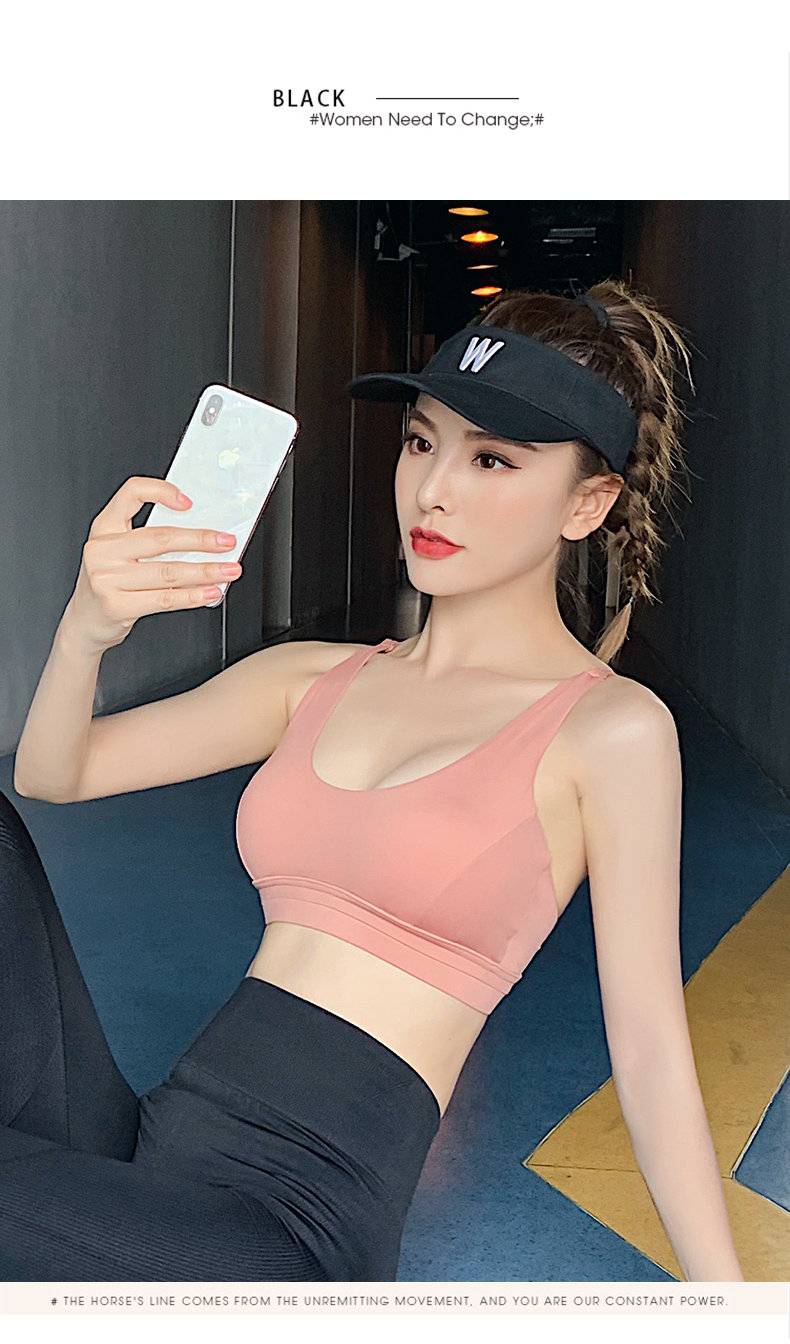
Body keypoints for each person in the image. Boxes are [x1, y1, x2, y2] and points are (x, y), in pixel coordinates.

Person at [3, 279, 745, 1284]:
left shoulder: (609, 731)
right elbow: (53, 774)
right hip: (148, 1153)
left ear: (587, 503)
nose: (433, 490)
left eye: (491, 459)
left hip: (287, 1232)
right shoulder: (309, 679)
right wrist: (88, 628)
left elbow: (651, 1052)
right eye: (421, 441)